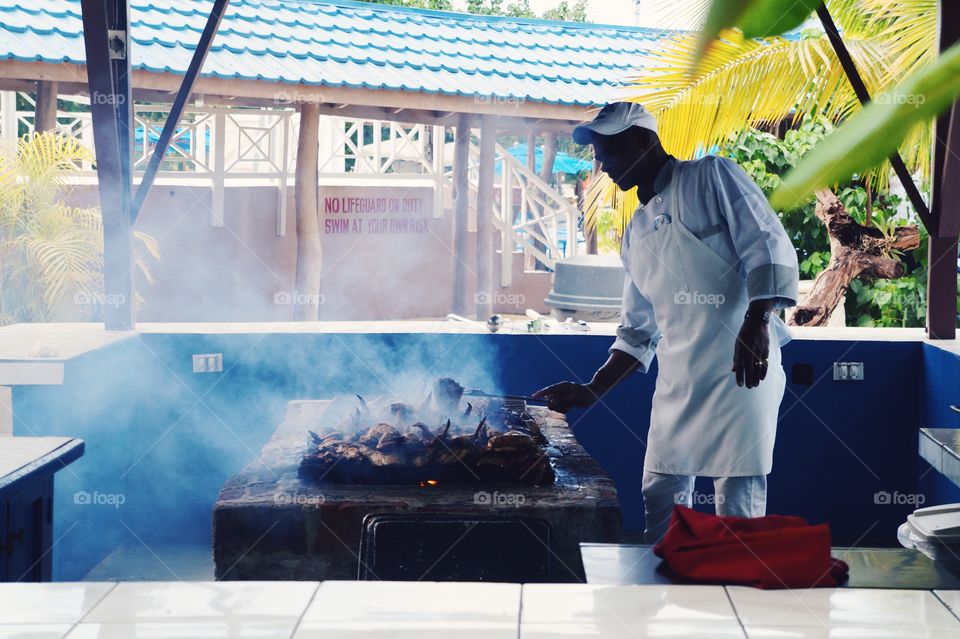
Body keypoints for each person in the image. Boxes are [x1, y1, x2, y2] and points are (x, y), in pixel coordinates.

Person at [533, 102, 799, 544]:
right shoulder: (635, 232)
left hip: (741, 371)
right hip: (679, 381)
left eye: (609, 152)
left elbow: (768, 244)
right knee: (660, 493)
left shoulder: (711, 176)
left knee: (737, 501)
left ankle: (737, 598)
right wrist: (590, 390)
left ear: (645, 141)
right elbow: (637, 331)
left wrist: (757, 321)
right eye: (598, 156)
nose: (602, 166)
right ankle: (667, 591)